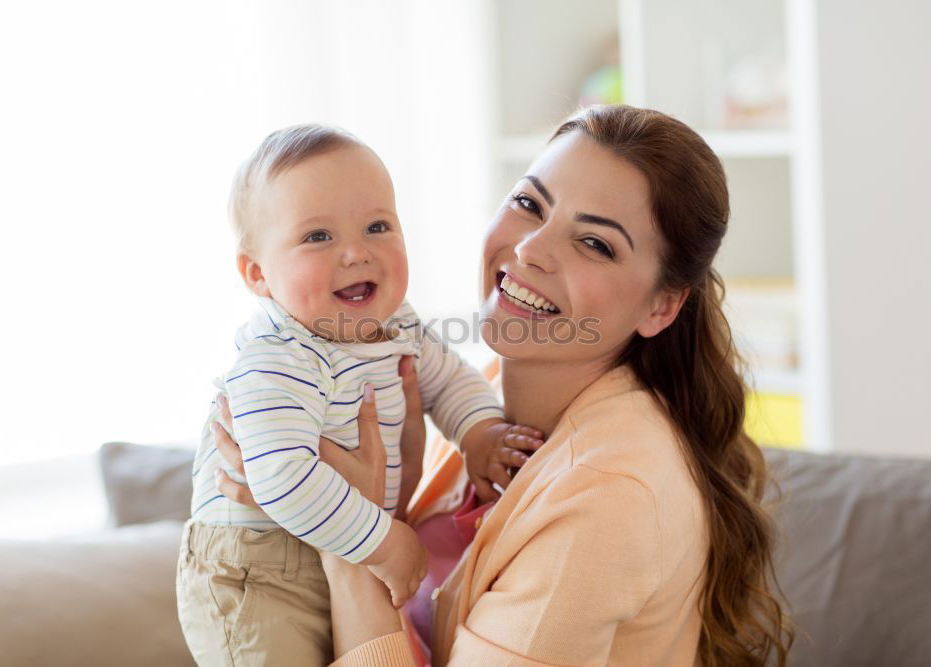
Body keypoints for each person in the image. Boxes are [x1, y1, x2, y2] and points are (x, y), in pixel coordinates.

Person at [212, 106, 794, 666]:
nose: (529, 249)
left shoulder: (606, 493)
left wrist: (348, 546)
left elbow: (375, 553)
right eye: (527, 203)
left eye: (595, 243)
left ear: (662, 307)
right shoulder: (485, 396)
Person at [176, 124, 545, 666]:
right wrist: (383, 542)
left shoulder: (397, 326)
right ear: (258, 274)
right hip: (257, 569)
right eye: (318, 236)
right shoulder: (278, 357)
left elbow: (449, 380)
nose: (355, 252)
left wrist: (481, 431)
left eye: (377, 226)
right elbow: (280, 477)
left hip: (340, 541)